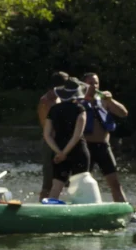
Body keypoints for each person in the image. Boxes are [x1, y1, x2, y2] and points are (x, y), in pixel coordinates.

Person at [79, 72, 130, 203]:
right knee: (81, 183)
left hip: (103, 147)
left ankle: (124, 210)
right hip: (85, 147)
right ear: (83, 84)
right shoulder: (79, 101)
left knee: (115, 183)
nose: (94, 86)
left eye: (96, 83)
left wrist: (110, 100)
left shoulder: (103, 101)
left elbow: (123, 113)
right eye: (90, 83)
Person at [42, 79, 90, 199]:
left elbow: (47, 135)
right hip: (78, 150)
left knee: (56, 186)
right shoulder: (80, 109)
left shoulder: (54, 109)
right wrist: (66, 152)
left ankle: (51, 212)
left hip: (58, 149)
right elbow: (77, 135)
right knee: (80, 185)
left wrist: (59, 152)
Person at [37, 71, 70, 200]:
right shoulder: (46, 101)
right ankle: (41, 207)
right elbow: (51, 125)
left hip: (60, 142)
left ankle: (57, 202)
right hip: (50, 143)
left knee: (62, 180)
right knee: (48, 182)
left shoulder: (58, 98)